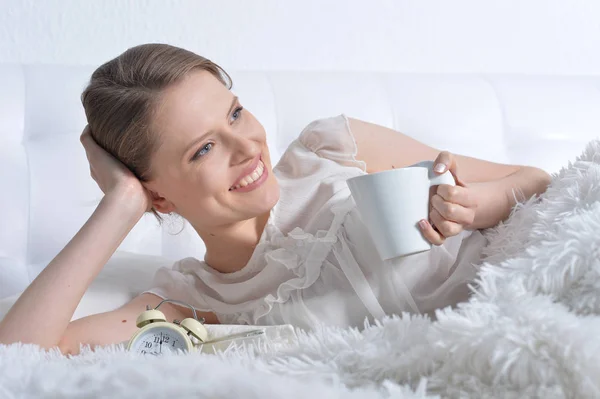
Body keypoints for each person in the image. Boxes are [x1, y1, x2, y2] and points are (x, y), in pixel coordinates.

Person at [0, 44, 551, 355]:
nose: (248, 146)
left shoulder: (333, 147)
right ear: (158, 193)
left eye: (235, 113)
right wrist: (120, 204)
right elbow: (17, 358)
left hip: (537, 298)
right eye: (205, 149)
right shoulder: (188, 303)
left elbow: (533, 179)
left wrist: (481, 205)